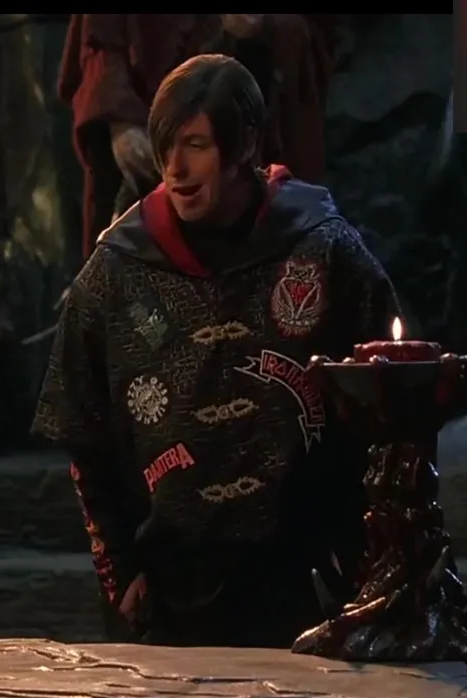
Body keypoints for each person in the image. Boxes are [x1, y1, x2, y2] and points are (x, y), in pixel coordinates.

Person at [32, 54, 401, 648]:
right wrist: (120, 569)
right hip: (167, 589)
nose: (175, 168)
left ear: (245, 143)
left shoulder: (322, 250)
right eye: (165, 147)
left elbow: (389, 409)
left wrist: (369, 558)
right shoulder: (117, 271)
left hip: (308, 580)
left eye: (196, 145)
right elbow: (85, 435)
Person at [56, 14, 338, 262]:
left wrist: (265, 28)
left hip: (247, 150)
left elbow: (317, 35)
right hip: (142, 150)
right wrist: (120, 119)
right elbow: (98, 40)